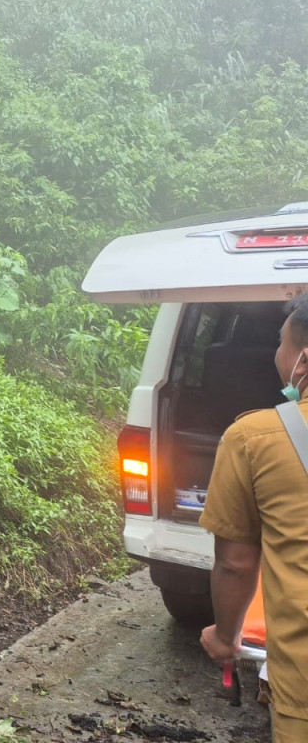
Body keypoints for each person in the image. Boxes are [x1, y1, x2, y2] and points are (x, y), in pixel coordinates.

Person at [200, 292, 308, 742]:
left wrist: (227, 636)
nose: (276, 355)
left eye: (280, 344)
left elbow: (236, 563)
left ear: (302, 360)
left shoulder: (256, 436)